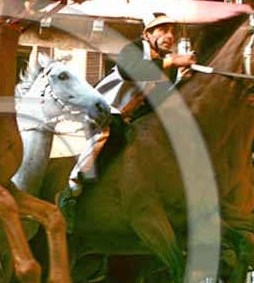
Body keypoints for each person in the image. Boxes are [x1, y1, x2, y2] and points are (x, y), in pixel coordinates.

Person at [59, 14, 197, 231]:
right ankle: (70, 192)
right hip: (103, 108)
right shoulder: (133, 49)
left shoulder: (168, 67)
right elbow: (129, 70)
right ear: (147, 34)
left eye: (172, 32)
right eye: (162, 30)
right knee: (108, 133)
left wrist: (181, 81)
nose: (169, 36)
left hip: (129, 118)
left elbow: (160, 99)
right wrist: (174, 61)